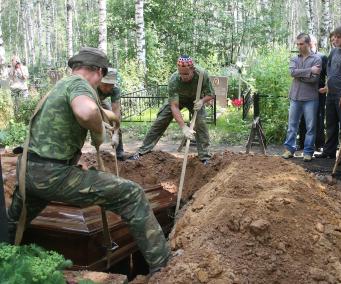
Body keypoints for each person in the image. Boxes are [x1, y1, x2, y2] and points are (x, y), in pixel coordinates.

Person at [6, 47, 170, 272]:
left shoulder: (61, 85)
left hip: (29, 172)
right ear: (99, 71)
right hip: (53, 176)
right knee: (132, 194)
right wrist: (99, 131)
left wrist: (77, 157)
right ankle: (164, 268)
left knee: (12, 224)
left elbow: (57, 133)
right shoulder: (80, 84)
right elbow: (85, 112)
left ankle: (4, 259)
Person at [130, 55, 215, 163]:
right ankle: (142, 152)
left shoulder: (202, 75)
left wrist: (202, 101)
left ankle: (204, 157)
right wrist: (184, 127)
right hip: (178, 99)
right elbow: (174, 106)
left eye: (186, 74)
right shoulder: (174, 80)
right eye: (181, 73)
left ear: (192, 69)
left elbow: (211, 94)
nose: (183, 77)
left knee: (201, 122)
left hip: (196, 99)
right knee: (160, 120)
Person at [315, 26, 341, 165]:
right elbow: (330, 69)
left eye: (338, 37)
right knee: (331, 124)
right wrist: (328, 85)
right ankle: (329, 151)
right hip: (331, 94)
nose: (335, 39)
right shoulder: (334, 51)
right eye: (335, 37)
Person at [282, 33, 322, 162]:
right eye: (297, 44)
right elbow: (292, 72)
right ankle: (289, 149)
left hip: (310, 98)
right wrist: (310, 70)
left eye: (301, 44)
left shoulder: (317, 59)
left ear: (308, 44)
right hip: (295, 96)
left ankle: (308, 152)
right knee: (292, 125)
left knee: (311, 127)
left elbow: (314, 80)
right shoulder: (295, 58)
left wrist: (299, 75)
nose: (299, 46)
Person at [298, 35, 328, 151]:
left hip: (318, 91)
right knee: (303, 117)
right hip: (303, 90)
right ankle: (302, 143)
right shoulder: (301, 57)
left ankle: (319, 144)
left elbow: (327, 74)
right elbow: (296, 72)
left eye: (309, 43)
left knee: (319, 116)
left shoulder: (322, 57)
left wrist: (326, 87)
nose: (307, 45)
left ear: (314, 43)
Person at [96, 68, 125, 160]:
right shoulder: (92, 86)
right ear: (100, 80)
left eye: (111, 85)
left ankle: (119, 153)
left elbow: (116, 112)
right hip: (90, 102)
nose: (108, 88)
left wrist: (115, 133)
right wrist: (101, 122)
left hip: (102, 101)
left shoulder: (114, 90)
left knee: (114, 122)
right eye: (105, 85)